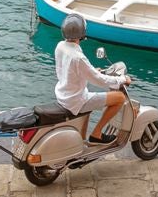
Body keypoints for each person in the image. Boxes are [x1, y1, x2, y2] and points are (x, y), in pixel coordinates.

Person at [54, 12, 132, 145]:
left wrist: (91, 71)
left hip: (63, 95)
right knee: (119, 98)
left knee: (92, 98)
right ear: (83, 32)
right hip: (76, 100)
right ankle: (96, 134)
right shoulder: (78, 58)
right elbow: (101, 81)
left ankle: (82, 140)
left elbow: (69, 70)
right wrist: (122, 79)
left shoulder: (60, 46)